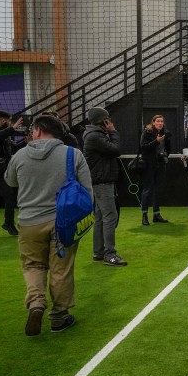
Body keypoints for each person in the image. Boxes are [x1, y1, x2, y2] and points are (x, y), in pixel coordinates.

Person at [4, 113, 91, 335]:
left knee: (33, 265)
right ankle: (59, 317)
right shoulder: (73, 154)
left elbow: (10, 181)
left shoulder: (20, 155)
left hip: (29, 222)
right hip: (64, 222)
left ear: (39, 130)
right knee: (61, 269)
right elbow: (87, 191)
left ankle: (36, 303)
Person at [82, 107, 127, 266]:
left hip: (100, 180)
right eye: (107, 118)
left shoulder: (95, 135)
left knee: (101, 217)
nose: (110, 121)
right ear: (103, 120)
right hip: (102, 181)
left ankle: (99, 252)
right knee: (110, 216)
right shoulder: (95, 136)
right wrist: (113, 132)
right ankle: (110, 254)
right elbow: (115, 150)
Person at [0, 110, 24, 237]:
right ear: (4, 120)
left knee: (10, 196)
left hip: (0, 171)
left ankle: (8, 223)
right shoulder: (2, 131)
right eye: (9, 121)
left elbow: (12, 147)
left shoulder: (5, 133)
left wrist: (25, 141)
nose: (10, 123)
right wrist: (12, 129)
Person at [138, 114, 171, 226]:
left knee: (157, 190)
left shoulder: (165, 133)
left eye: (161, 121)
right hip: (149, 165)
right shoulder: (146, 132)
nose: (160, 123)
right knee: (147, 190)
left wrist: (165, 155)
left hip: (160, 165)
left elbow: (168, 148)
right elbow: (144, 148)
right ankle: (144, 216)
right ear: (153, 122)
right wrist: (156, 141)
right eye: (158, 121)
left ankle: (156, 215)